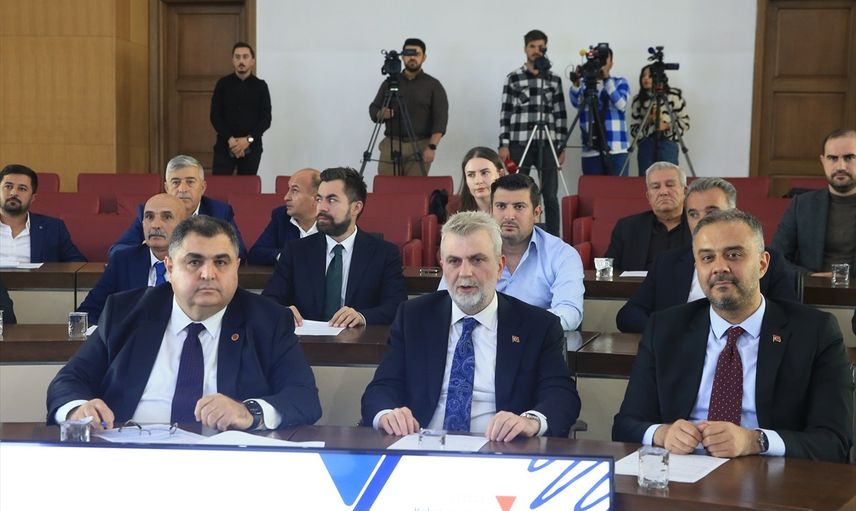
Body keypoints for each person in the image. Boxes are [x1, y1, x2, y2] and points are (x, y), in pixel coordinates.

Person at [613, 209, 852, 462]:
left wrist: (755, 440)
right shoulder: (665, 328)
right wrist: (662, 433)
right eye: (707, 258)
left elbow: (835, 440)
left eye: (734, 255)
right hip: (683, 471)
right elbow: (625, 425)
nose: (719, 268)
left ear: (762, 264)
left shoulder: (815, 332)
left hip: (769, 472)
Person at [46, 215, 321, 431]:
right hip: (133, 454)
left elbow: (304, 397)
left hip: (224, 463)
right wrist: (77, 409)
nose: (208, 274)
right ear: (169, 268)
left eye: (221, 262)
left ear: (236, 267)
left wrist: (249, 412)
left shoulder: (268, 320)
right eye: (194, 262)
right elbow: (69, 380)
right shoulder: (125, 312)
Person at [361, 211, 580, 440]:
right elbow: (382, 387)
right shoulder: (413, 317)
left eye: (477, 260)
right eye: (454, 261)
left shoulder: (537, 325)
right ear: (443, 266)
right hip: (424, 446)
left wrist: (531, 421)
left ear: (500, 266)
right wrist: (387, 414)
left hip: (502, 448)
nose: (465, 273)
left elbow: (561, 394)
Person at [617, 177, 798, 333]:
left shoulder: (763, 260)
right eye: (693, 214)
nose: (702, 221)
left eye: (712, 212)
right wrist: (669, 333)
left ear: (734, 213)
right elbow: (628, 314)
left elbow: (789, 316)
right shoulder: (667, 261)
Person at [262, 167, 407, 327]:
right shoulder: (296, 250)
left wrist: (362, 317)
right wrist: (283, 311)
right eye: (319, 199)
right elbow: (269, 299)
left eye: (331, 200)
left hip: (360, 340)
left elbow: (396, 306)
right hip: (305, 340)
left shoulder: (384, 253)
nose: (321, 207)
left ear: (356, 207)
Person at [440, 174, 584, 331]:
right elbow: (443, 305)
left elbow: (569, 314)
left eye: (519, 207)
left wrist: (511, 327)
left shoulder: (562, 255)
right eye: (501, 206)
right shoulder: (468, 250)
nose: (509, 216)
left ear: (536, 213)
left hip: (534, 341)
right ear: (490, 211)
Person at [76, 194, 188, 324]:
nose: (155, 225)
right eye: (149, 217)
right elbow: (88, 312)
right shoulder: (123, 261)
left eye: (167, 217)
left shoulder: (198, 265)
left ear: (185, 226)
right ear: (142, 223)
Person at [110, 155, 246, 260]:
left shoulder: (219, 213)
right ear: (167, 188)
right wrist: (148, 249)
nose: (182, 189)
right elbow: (116, 251)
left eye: (190, 182)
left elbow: (239, 252)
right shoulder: (150, 212)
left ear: (203, 187)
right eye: (175, 182)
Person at [498, 29, 567, 237]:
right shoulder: (514, 78)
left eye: (541, 47)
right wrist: (503, 143)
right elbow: (506, 112)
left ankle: (553, 239)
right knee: (518, 192)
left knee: (550, 195)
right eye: (532, 46)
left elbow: (560, 114)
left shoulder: (554, 79)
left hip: (548, 143)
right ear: (525, 48)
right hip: (520, 142)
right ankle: (518, 235)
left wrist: (561, 147)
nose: (536, 50)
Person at [772, 128, 856, 275]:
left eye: (849, 158)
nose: (840, 166)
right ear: (823, 161)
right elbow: (777, 258)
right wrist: (811, 277)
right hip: (810, 286)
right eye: (832, 158)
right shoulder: (801, 205)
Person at [369, 38, 448, 176]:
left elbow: (440, 120)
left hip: (420, 145)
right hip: (391, 144)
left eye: (416, 54)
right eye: (408, 54)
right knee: (387, 186)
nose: (412, 58)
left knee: (414, 187)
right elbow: (373, 109)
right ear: (402, 57)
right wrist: (381, 113)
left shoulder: (433, 85)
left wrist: (432, 147)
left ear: (424, 57)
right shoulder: (389, 83)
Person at [604, 162, 691, 271]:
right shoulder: (627, 227)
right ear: (648, 196)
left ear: (685, 192)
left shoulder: (701, 226)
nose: (663, 192)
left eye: (670, 185)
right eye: (656, 187)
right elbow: (608, 269)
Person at [0, 164, 86, 263]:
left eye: (22, 188)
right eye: (8, 186)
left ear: (32, 198)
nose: (13, 192)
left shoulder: (53, 228)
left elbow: (78, 263)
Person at [210, 42, 272, 176]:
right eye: (237, 57)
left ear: (252, 61)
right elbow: (215, 116)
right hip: (225, 144)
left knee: (247, 186)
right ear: (232, 60)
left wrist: (248, 140)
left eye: (245, 57)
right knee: (219, 185)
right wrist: (230, 139)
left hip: (252, 146)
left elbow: (266, 120)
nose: (241, 61)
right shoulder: (222, 84)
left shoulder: (261, 86)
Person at [569, 44, 631, 176]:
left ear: (611, 64)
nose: (600, 62)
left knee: (619, 189)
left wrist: (606, 78)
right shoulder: (584, 85)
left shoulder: (620, 82)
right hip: (591, 150)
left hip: (617, 149)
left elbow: (621, 104)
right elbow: (575, 103)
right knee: (594, 188)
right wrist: (576, 83)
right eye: (598, 58)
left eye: (604, 59)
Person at [247, 168, 320, 265]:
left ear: (316, 198)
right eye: (288, 189)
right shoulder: (281, 217)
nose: (286, 197)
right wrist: (285, 256)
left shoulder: (333, 222)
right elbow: (255, 253)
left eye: (295, 190)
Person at [629, 64, 690, 173]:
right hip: (646, 144)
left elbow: (685, 122)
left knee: (669, 177)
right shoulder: (638, 100)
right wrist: (648, 123)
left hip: (668, 143)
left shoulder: (673, 96)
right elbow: (634, 130)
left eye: (650, 76)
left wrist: (666, 126)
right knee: (646, 178)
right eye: (643, 76)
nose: (646, 78)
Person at [456, 147, 505, 213]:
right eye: (471, 175)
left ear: (501, 174)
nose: (478, 181)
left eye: (484, 173)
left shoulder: (514, 212)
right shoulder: (455, 212)